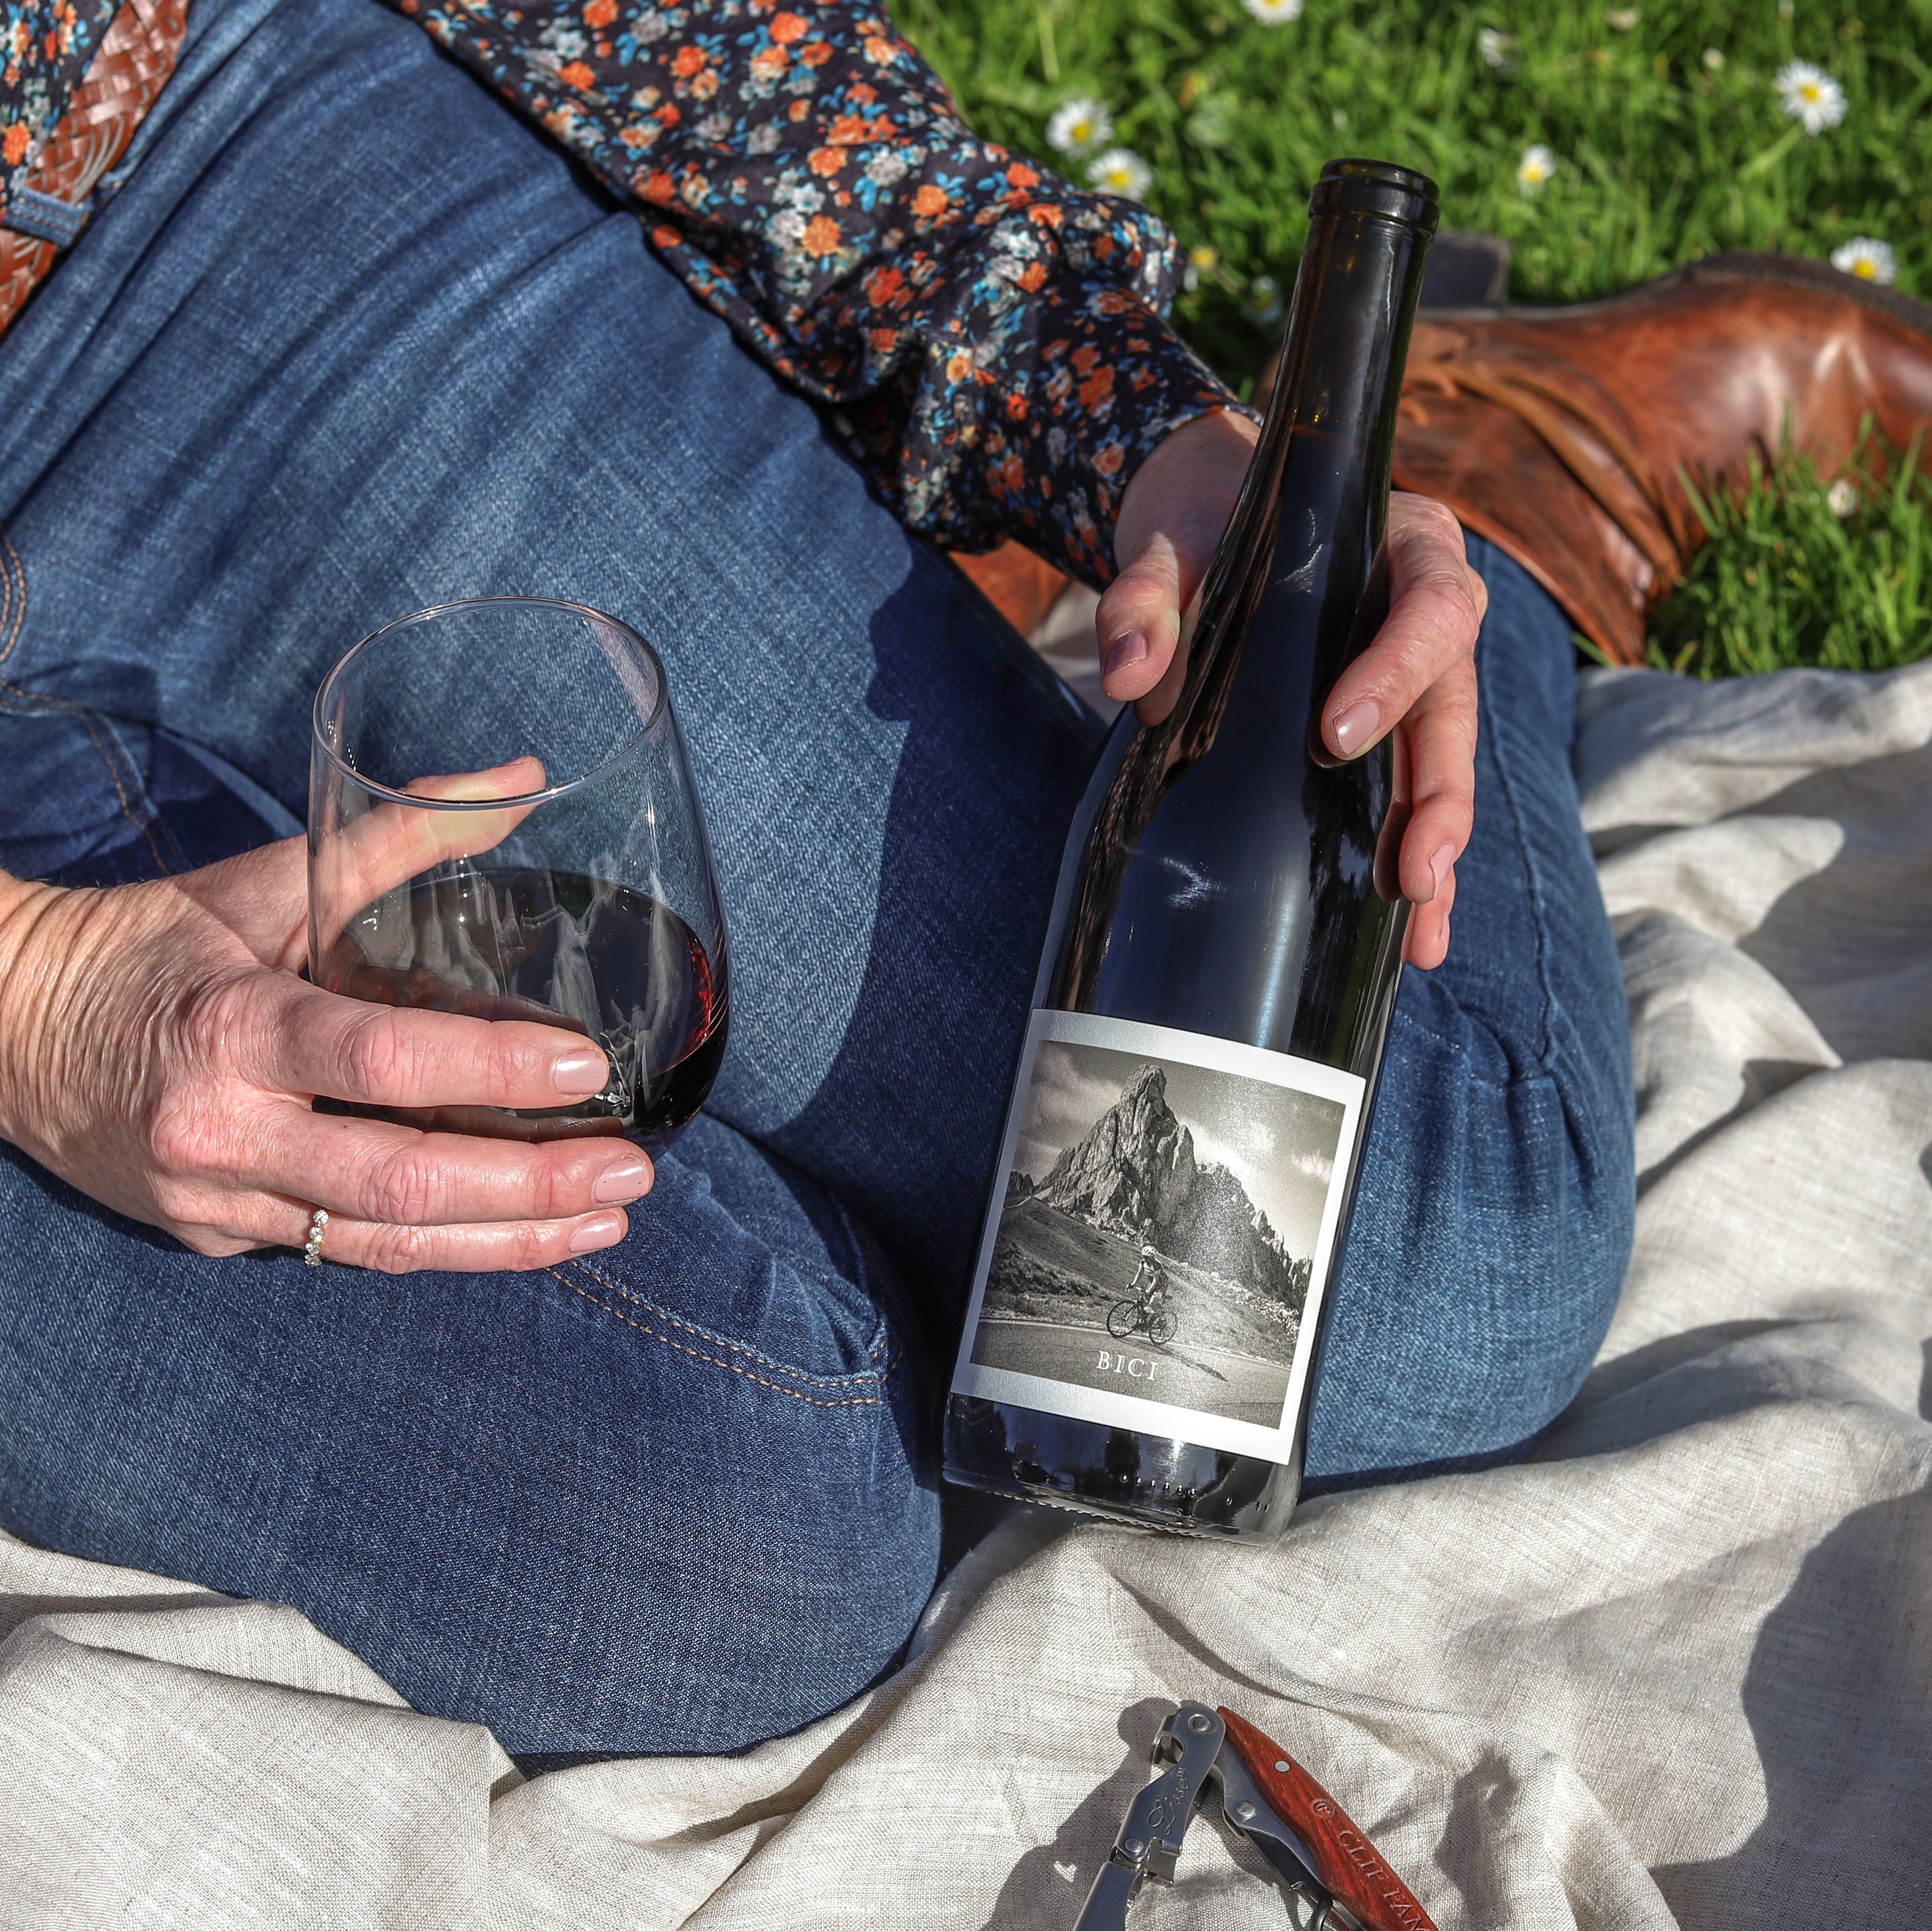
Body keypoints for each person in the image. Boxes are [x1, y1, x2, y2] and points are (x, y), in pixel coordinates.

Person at [1, 0, 1920, 1762]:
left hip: (200, 209)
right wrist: (35, 995)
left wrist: (1123, 427)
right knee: (743, 1541)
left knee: (1402, 1283)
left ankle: (1464, 472)